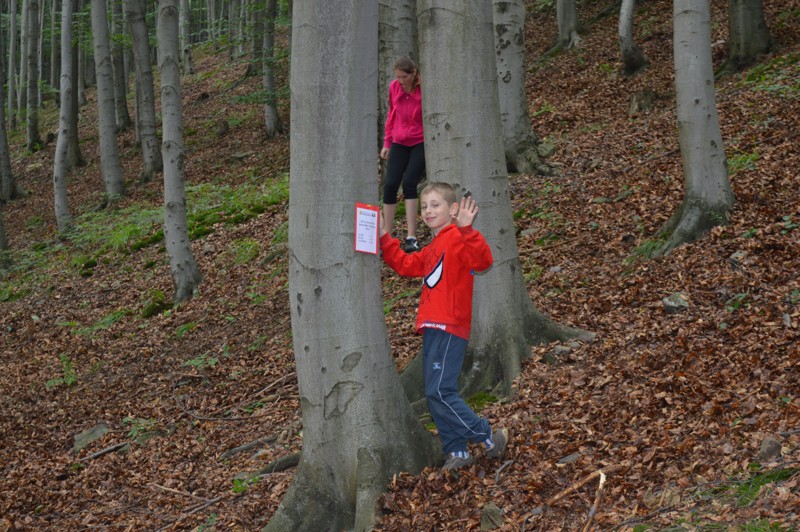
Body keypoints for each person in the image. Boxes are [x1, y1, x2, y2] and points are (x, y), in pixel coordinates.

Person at [380, 182, 510, 470]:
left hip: (450, 327)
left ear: (453, 210)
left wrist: (467, 229)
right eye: (424, 206)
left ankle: (488, 437)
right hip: (432, 328)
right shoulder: (433, 247)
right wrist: (383, 237)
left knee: (440, 392)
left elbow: (483, 260)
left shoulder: (457, 238)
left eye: (435, 205)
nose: (428, 211)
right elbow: (405, 264)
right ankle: (458, 452)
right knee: (434, 392)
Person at [381, 57, 425, 253]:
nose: (400, 80)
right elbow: (392, 114)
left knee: (409, 183)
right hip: (399, 141)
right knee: (390, 184)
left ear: (413, 73)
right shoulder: (394, 87)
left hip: (420, 141)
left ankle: (411, 236)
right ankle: (387, 237)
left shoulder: (423, 88)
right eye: (397, 77)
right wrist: (387, 142)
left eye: (403, 77)